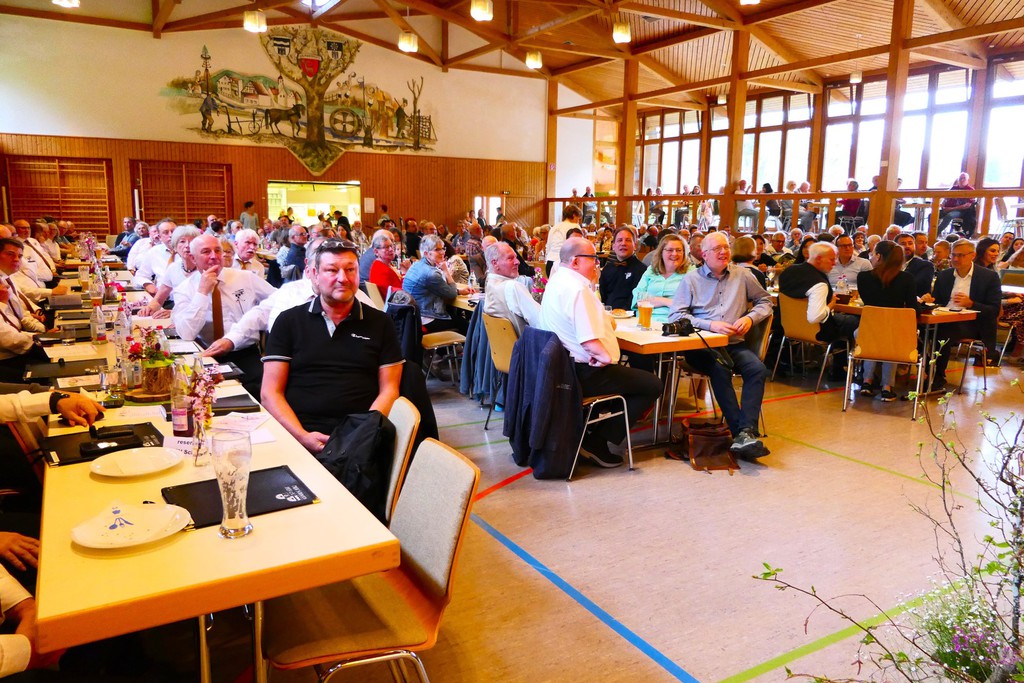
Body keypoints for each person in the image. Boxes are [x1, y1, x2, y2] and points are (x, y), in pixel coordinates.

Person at [261, 240, 404, 454]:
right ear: (314, 274)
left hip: (359, 437)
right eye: (332, 270)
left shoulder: (380, 323)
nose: (343, 278)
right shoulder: (288, 322)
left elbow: (389, 390)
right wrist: (302, 436)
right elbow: (270, 393)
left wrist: (359, 433)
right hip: (297, 433)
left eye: (350, 270)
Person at [538, 237, 662, 468]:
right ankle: (596, 441)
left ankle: (593, 428)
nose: (597, 264)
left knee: (630, 377)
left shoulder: (557, 282)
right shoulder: (577, 290)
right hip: (582, 372)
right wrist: (605, 357)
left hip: (562, 369)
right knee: (652, 384)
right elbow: (588, 339)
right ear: (575, 261)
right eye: (593, 259)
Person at [668, 231, 773, 459]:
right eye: (717, 249)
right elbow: (676, 315)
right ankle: (741, 434)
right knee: (720, 368)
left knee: (757, 369)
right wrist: (710, 324)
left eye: (726, 247)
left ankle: (746, 431)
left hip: (733, 343)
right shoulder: (691, 280)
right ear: (704, 254)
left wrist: (750, 318)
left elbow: (766, 301)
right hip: (702, 345)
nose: (724, 252)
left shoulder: (743, 275)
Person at [172, 234, 276, 396]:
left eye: (218, 251)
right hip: (207, 355)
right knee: (206, 397)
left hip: (244, 352)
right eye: (206, 252)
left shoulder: (245, 278)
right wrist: (202, 292)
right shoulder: (184, 289)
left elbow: (279, 300)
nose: (214, 256)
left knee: (259, 392)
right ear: (192, 258)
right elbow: (186, 333)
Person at [920, 239, 1003, 391]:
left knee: (943, 332)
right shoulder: (944, 275)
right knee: (917, 329)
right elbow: (938, 301)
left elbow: (994, 310)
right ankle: (927, 370)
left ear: (972, 255)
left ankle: (938, 376)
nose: (956, 259)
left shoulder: (989, 277)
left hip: (974, 324)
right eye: (953, 255)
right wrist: (929, 300)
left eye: (961, 255)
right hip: (943, 318)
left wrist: (971, 303)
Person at [778, 242, 860, 379]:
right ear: (819, 259)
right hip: (816, 330)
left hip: (789, 325)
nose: (834, 263)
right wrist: (831, 305)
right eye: (831, 259)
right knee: (854, 322)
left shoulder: (788, 271)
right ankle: (838, 368)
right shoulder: (819, 283)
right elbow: (815, 317)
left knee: (842, 320)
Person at [856, 241, 920, 402]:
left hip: (867, 329)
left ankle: (867, 381)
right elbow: (913, 310)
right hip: (894, 330)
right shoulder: (907, 279)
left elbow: (868, 302)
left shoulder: (863, 277)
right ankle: (887, 387)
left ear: (878, 256)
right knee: (890, 339)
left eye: (873, 254)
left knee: (874, 337)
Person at [0, 239, 48, 382]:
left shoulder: (7, 279)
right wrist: (38, 339)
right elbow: (6, 338)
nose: (16, 259)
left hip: (20, 344)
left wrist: (43, 332)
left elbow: (18, 314)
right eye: (10, 254)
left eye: (19, 256)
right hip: (7, 357)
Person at [402, 234, 473, 333]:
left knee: (454, 313)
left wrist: (459, 291)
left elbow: (440, 289)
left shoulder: (416, 265)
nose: (442, 252)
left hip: (411, 316)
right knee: (466, 325)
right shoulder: (431, 273)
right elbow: (452, 294)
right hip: (426, 318)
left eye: (442, 248)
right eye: (437, 250)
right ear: (426, 253)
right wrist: (446, 271)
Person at [140, 225, 201, 318]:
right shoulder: (173, 268)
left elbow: (207, 308)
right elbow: (158, 300)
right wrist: (149, 308)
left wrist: (174, 313)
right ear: (175, 248)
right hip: (181, 319)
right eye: (182, 241)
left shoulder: (204, 269)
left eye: (192, 242)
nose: (187, 245)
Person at [482, 242, 541, 337]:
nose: (517, 262)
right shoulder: (513, 287)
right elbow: (541, 321)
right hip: (525, 345)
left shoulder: (490, 283)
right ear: (495, 263)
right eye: (510, 258)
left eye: (516, 257)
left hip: (502, 345)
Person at [631, 234, 688, 322]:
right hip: (645, 320)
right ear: (661, 252)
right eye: (670, 250)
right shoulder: (651, 270)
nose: (674, 254)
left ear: (684, 253)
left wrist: (661, 300)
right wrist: (671, 302)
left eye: (679, 250)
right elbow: (638, 298)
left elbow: (688, 304)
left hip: (674, 322)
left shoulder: (690, 274)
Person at [598, 227, 647, 310]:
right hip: (607, 313)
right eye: (619, 240)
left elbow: (637, 299)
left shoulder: (642, 270)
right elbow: (602, 295)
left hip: (630, 315)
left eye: (628, 240)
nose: (623, 243)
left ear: (635, 246)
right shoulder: (607, 269)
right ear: (613, 246)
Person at [132, 218, 176, 295]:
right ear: (159, 236)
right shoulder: (154, 252)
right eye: (166, 232)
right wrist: (148, 285)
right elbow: (140, 276)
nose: (171, 235)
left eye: (173, 231)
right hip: (163, 297)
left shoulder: (189, 250)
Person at [545, 204, 583, 275]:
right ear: (574, 215)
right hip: (563, 263)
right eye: (578, 219)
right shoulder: (575, 226)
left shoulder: (554, 227)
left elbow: (548, 246)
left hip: (550, 261)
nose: (578, 221)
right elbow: (579, 247)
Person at [367, 231, 408, 296]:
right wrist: (406, 273)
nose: (391, 249)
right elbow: (399, 294)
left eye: (391, 246)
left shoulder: (383, 264)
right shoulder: (381, 269)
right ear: (376, 251)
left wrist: (404, 273)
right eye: (386, 247)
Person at [937, 172, 977, 236]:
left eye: (964, 178)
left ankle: (935, 233)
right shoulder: (953, 188)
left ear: (967, 180)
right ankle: (931, 231)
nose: (962, 180)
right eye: (960, 178)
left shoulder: (970, 190)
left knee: (949, 216)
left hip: (961, 211)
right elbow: (945, 198)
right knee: (932, 215)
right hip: (948, 209)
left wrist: (951, 209)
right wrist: (943, 204)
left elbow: (967, 206)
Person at [896, 232, 935, 297]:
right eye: (903, 244)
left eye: (910, 243)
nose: (907, 246)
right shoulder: (889, 264)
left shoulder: (925, 265)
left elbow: (918, 287)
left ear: (914, 246)